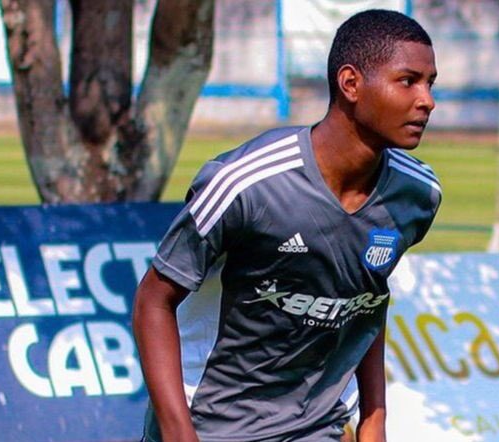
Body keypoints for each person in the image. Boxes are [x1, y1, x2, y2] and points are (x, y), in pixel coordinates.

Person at [133, 9, 441, 442]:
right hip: (209, 425)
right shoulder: (245, 183)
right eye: (408, 81)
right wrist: (179, 433)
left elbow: (367, 300)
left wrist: (374, 420)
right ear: (350, 83)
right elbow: (152, 302)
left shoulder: (417, 194)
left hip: (314, 427)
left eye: (430, 84)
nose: (427, 100)